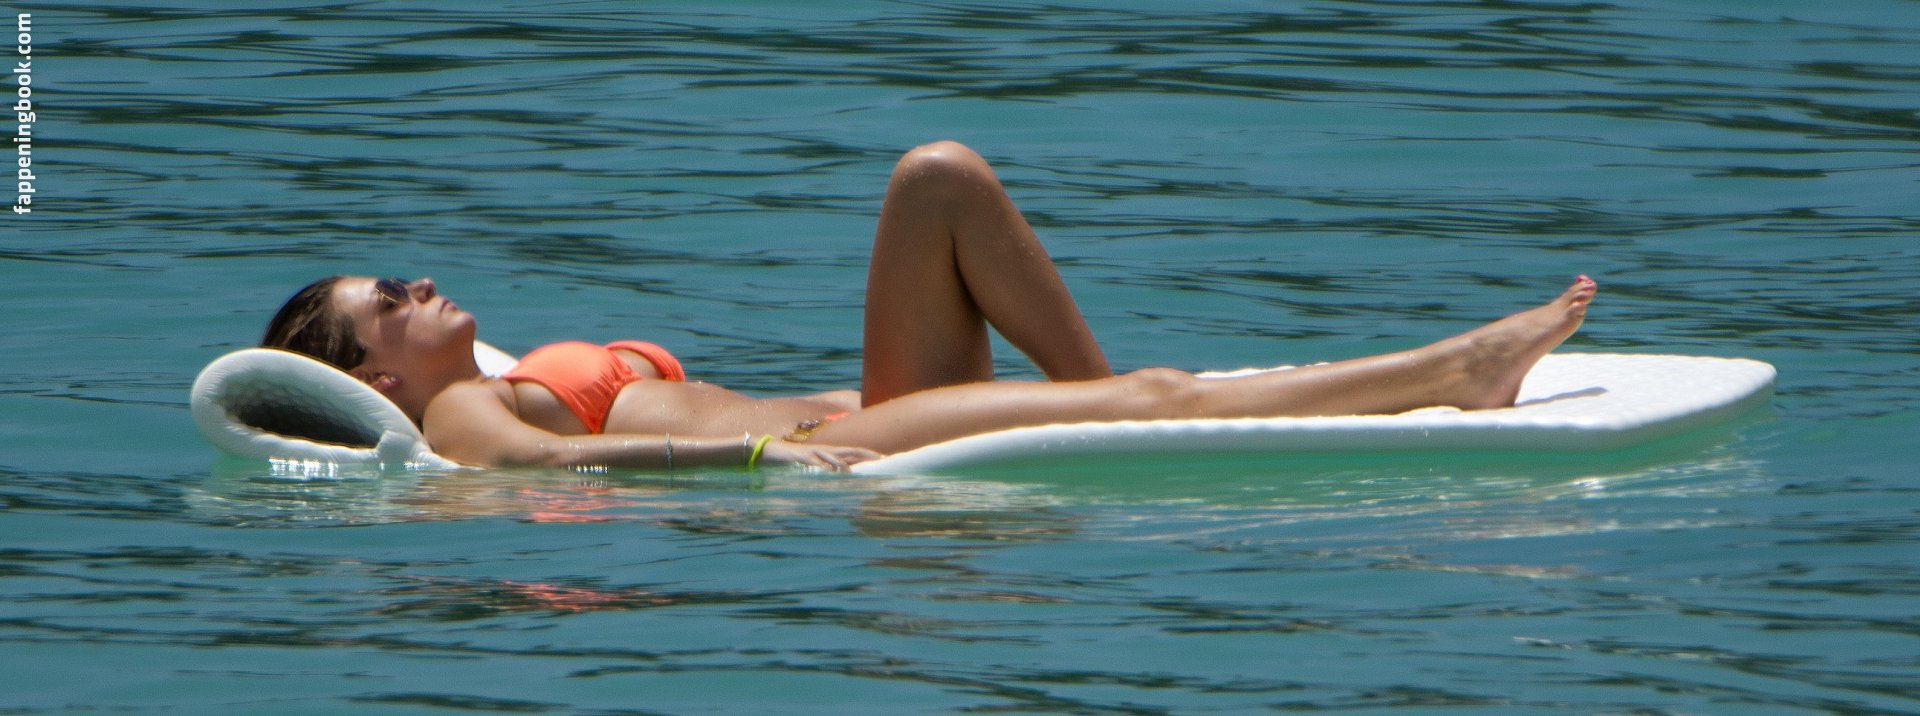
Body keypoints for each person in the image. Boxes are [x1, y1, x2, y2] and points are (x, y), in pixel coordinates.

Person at [261, 141, 1596, 471]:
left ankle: (1103, 411)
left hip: (866, 411)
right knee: (1157, 397)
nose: (416, 283)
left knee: (938, 179)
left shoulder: (480, 377)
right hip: (838, 450)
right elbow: (560, 470)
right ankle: (1457, 369)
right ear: (373, 377)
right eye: (389, 299)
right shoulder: (458, 424)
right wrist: (756, 459)